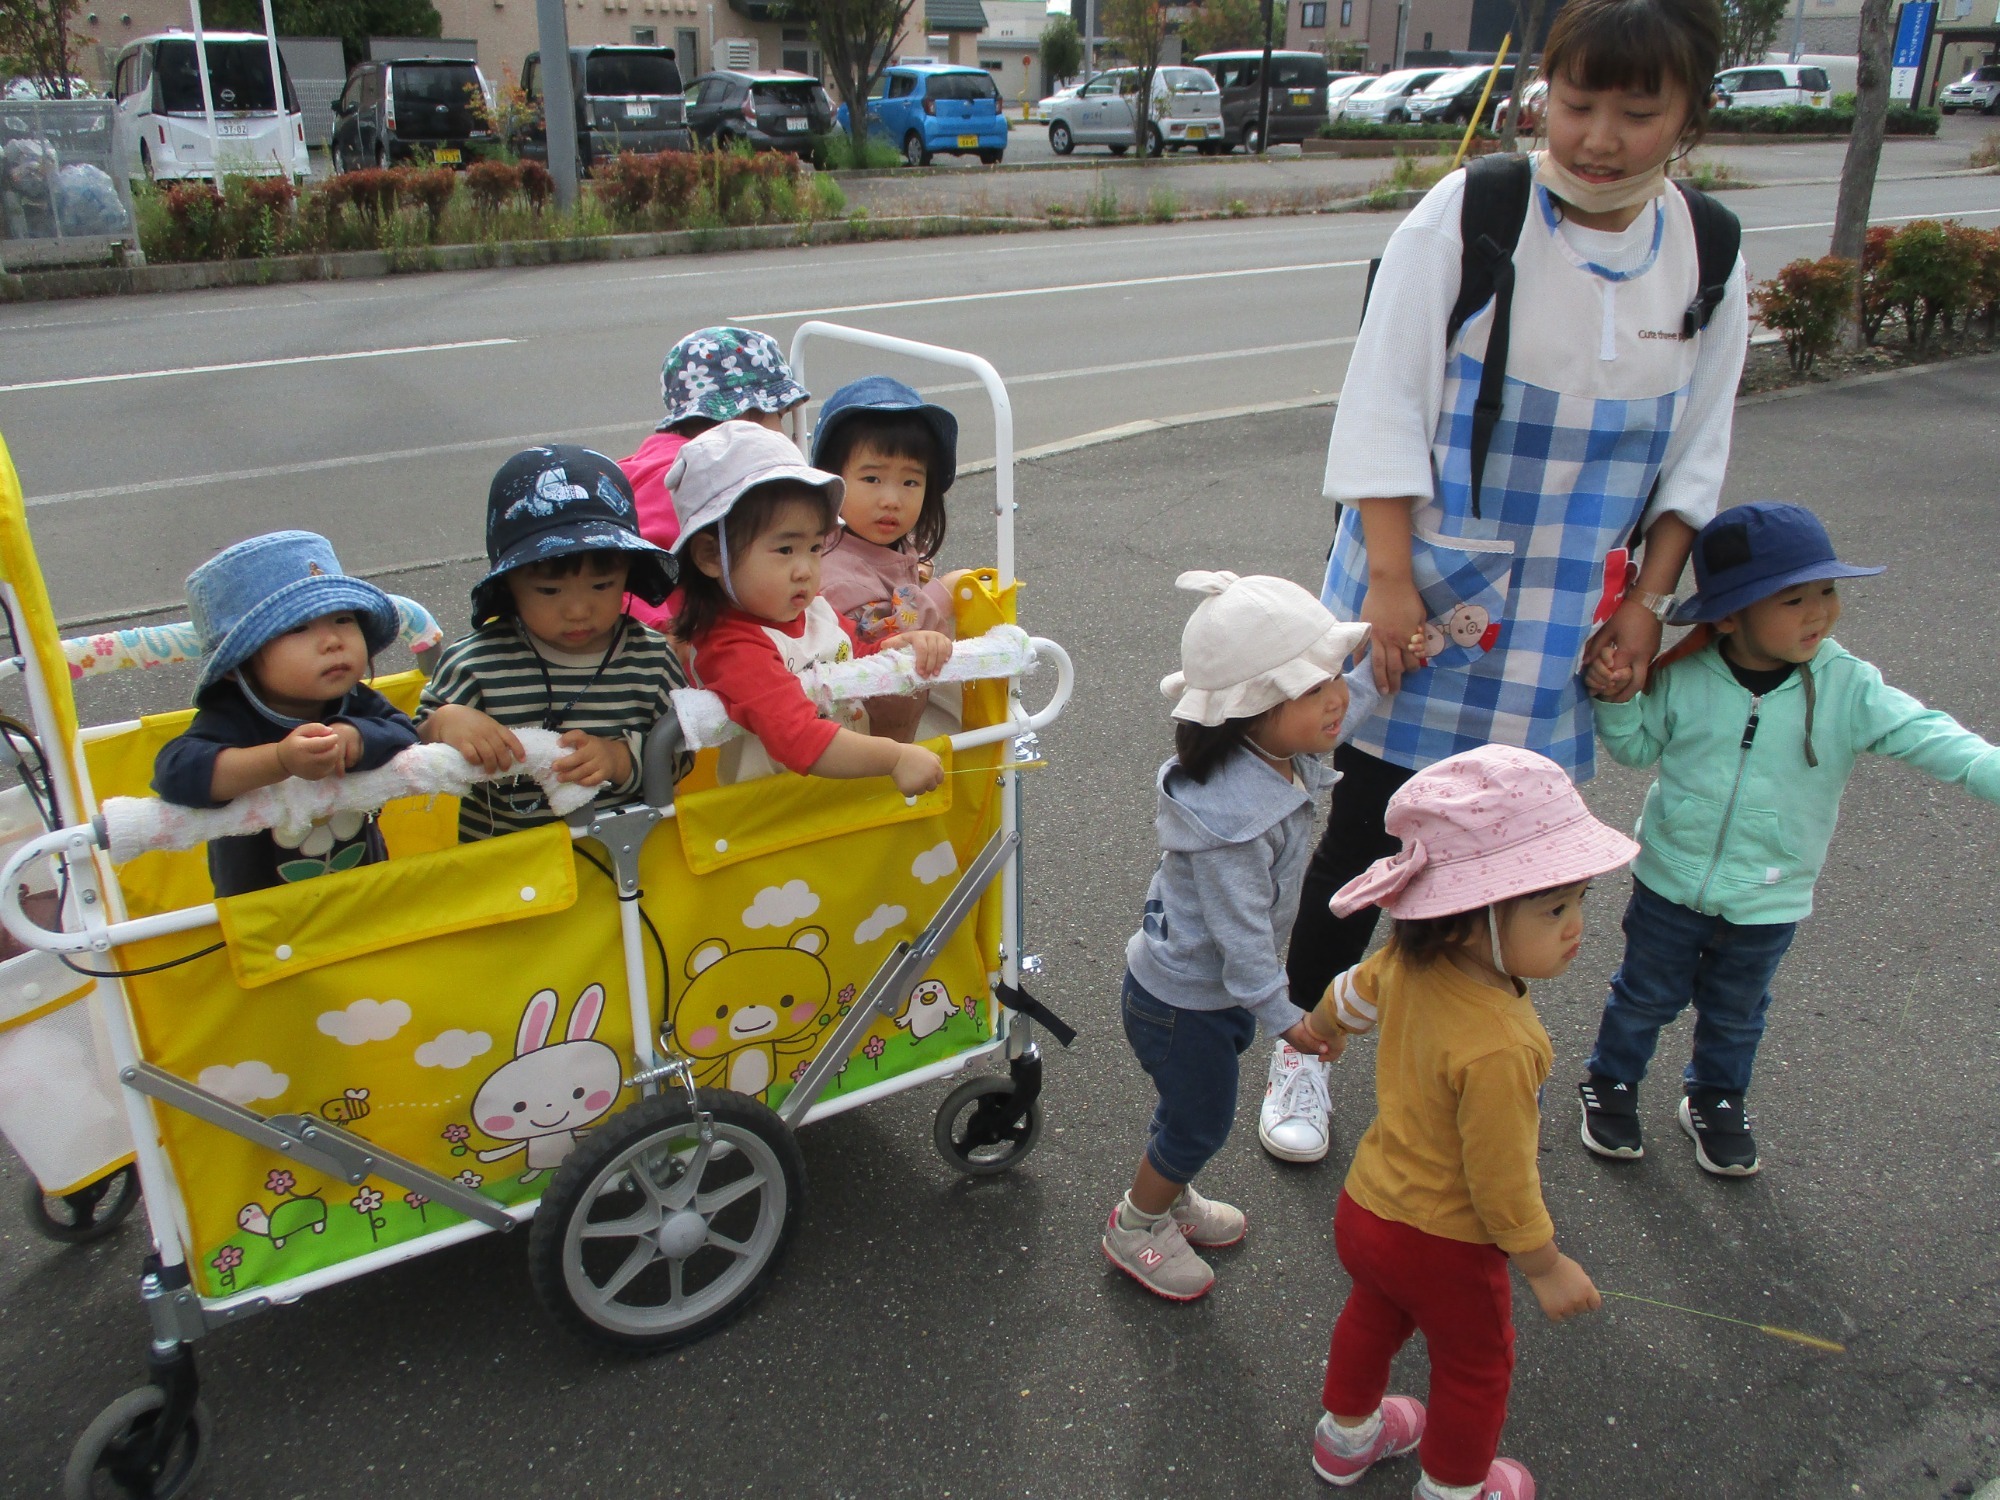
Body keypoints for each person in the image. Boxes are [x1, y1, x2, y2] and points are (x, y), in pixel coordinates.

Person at [1266, 0, 1749, 1169]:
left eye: (1636, 113)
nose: (1596, 136)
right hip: (1427, 585)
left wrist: (1645, 602)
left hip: (1565, 608)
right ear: (1544, 89)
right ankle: (1304, 1044)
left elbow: (1696, 451)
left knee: (1510, 851)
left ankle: (1463, 1054)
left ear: (1685, 117)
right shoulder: (1475, 211)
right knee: (1371, 825)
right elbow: (1381, 400)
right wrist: (1386, 581)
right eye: (1576, 104)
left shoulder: (1706, 248)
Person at [1577, 502, 2000, 1176]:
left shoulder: (1847, 686)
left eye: (1827, 591)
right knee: (1644, 996)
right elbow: (1634, 749)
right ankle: (1612, 1082)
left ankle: (1715, 1098)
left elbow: (1934, 737)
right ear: (1729, 614)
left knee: (1737, 1011)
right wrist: (1617, 698)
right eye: (1793, 598)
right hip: (1669, 880)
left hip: (1772, 895)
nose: (1819, 613)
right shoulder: (1686, 675)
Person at [1302, 745, 1633, 1500]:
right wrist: (1545, 1265)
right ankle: (1453, 1489)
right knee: (1476, 1367)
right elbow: (1500, 1178)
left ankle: (1345, 1440)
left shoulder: (1406, 961)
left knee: (1372, 1315)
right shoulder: (1505, 1045)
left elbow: (1347, 994)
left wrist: (1325, 1030)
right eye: (1553, 909)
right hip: (1447, 1246)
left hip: (1367, 1209)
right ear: (1463, 920)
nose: (1577, 926)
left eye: (1579, 901)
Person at [1102, 572, 1378, 1302]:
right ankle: (1136, 1226)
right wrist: (1288, 1019)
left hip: (1201, 993)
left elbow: (1350, 706)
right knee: (1199, 1120)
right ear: (1254, 707)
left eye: (1337, 678)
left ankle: (1169, 1195)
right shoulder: (1231, 819)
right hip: (1181, 1001)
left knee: (1189, 1115)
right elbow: (1242, 936)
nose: (1339, 698)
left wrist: (1388, 664)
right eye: (1316, 688)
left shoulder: (1269, 756)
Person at [667, 420, 953, 792]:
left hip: (825, 802)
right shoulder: (731, 646)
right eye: (785, 550)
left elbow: (851, 650)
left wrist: (892, 646)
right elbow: (801, 737)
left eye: (815, 548)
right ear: (710, 556)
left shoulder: (813, 610)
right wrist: (895, 757)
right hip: (775, 819)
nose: (805, 570)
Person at [418, 445, 686, 841]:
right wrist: (445, 722)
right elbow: (408, 746)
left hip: (627, 862)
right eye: (548, 590)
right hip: (507, 871)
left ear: (628, 574)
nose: (578, 610)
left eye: (601, 585)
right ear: (509, 583)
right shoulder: (475, 662)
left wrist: (618, 759)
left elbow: (682, 751)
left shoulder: (651, 657)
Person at [153, 531, 417, 897]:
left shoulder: (354, 702)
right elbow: (175, 773)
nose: (333, 641)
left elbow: (406, 733)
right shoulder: (231, 716)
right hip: (263, 916)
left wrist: (356, 738)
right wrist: (280, 760)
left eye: (342, 619)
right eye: (299, 627)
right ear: (237, 664)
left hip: (364, 893)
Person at [618, 326, 811, 630]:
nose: (783, 432)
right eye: (781, 416)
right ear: (747, 420)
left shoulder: (652, 459)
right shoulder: (700, 482)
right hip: (675, 631)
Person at [810, 376, 969, 743]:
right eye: (872, 478)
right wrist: (940, 599)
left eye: (910, 482)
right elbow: (901, 643)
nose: (892, 499)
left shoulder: (876, 542)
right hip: (875, 739)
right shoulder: (841, 581)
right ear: (832, 481)